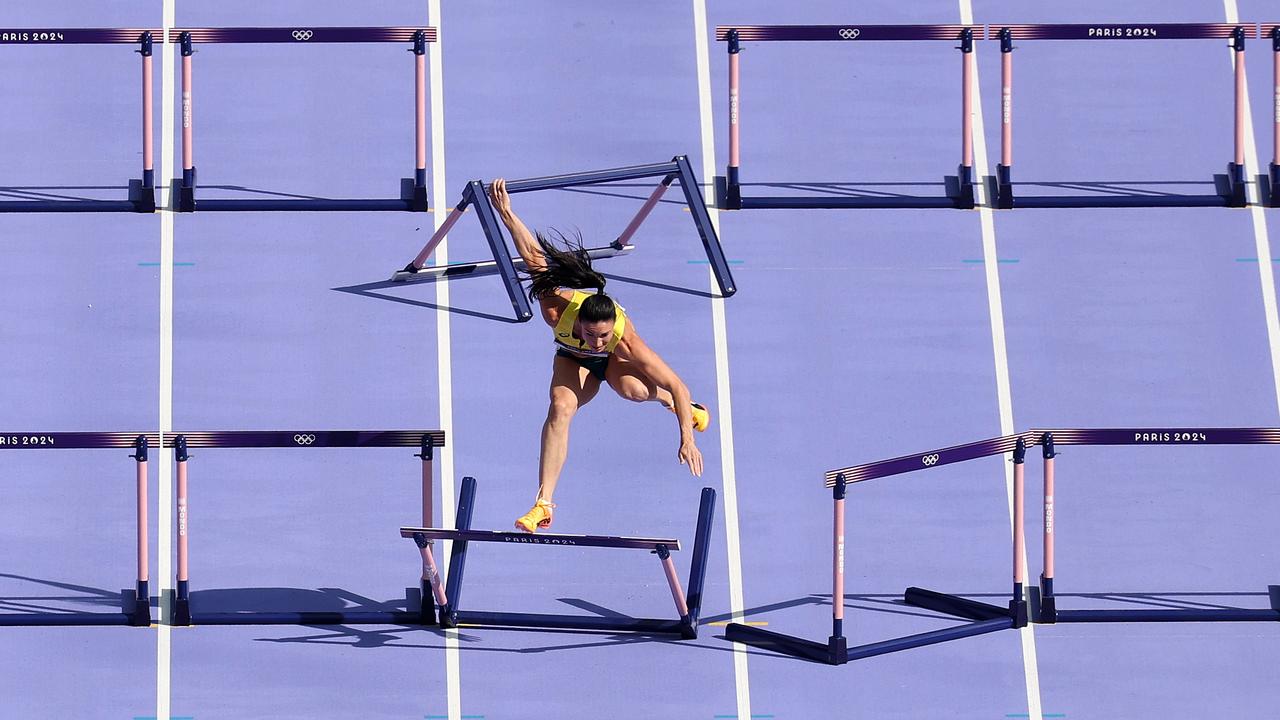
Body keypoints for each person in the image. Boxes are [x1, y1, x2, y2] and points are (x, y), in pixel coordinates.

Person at [487, 178, 710, 533]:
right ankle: (543, 505)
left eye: (602, 335)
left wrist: (687, 437)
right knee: (560, 409)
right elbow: (532, 254)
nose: (596, 340)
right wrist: (507, 214)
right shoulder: (556, 309)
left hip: (616, 365)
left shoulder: (626, 341)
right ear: (581, 322)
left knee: (635, 391)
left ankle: (676, 407)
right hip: (571, 361)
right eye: (591, 334)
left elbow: (679, 383)